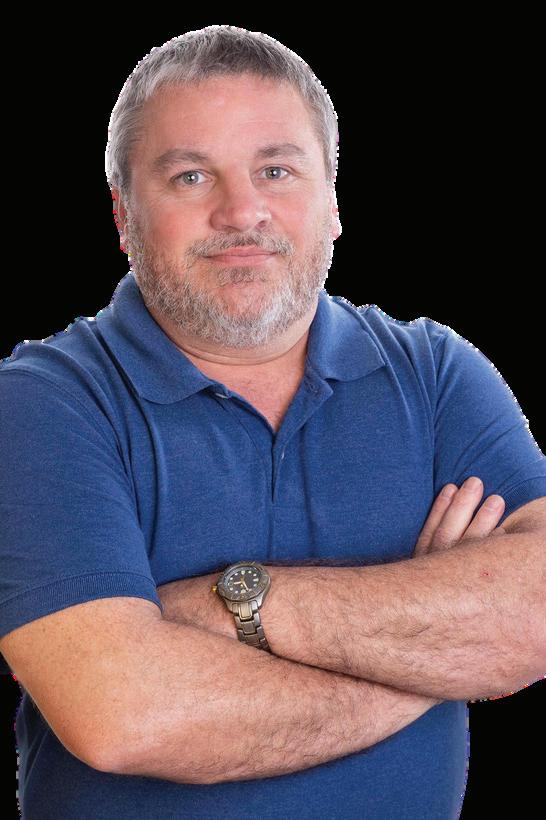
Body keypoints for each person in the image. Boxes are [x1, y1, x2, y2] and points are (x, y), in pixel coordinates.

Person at [1, 26, 545, 820]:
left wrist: (239, 605)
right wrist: (435, 657)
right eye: (191, 176)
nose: (242, 211)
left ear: (332, 201)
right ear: (123, 215)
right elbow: (121, 714)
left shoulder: (434, 375)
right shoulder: (42, 403)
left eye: (277, 170)